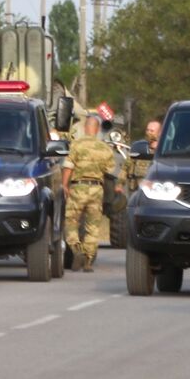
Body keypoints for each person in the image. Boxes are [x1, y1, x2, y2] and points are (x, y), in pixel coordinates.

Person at [62, 114, 120, 272]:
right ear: (98, 129)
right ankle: (88, 260)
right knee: (93, 227)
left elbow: (68, 165)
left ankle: (76, 250)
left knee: (71, 222)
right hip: (96, 189)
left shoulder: (76, 145)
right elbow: (111, 170)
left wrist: (64, 185)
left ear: (86, 128)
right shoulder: (105, 148)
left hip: (78, 188)